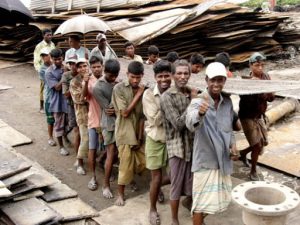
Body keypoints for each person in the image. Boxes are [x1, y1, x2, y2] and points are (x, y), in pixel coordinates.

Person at [186, 62, 239, 225]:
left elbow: (228, 128)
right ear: (206, 80)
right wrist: (200, 114)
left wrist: (233, 145)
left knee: (216, 201)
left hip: (222, 160)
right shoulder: (198, 101)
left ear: (224, 81)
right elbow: (190, 123)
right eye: (213, 80)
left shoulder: (228, 102)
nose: (216, 84)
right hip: (205, 161)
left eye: (220, 80)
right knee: (200, 205)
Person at [160, 59, 196, 225]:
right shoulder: (167, 97)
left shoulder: (188, 92)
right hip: (177, 147)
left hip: (191, 146)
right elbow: (178, 124)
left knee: (191, 182)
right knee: (175, 186)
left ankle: (188, 204)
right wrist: (193, 102)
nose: (183, 76)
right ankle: (174, 220)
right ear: (173, 75)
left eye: (186, 73)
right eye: (179, 73)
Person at [112, 61, 146, 206]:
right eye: (133, 77)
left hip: (137, 132)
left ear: (142, 76)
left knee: (144, 161)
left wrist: (139, 136)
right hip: (124, 132)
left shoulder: (144, 90)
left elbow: (142, 117)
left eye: (138, 78)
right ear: (127, 75)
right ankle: (120, 194)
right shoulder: (119, 89)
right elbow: (125, 113)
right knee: (125, 164)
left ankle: (133, 179)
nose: (135, 80)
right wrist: (139, 94)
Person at [143, 60, 172, 225]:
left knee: (175, 175)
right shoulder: (148, 95)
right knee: (156, 177)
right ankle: (152, 209)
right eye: (160, 76)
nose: (164, 80)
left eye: (166, 76)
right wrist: (167, 101)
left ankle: (156, 188)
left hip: (173, 140)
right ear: (155, 77)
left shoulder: (177, 91)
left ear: (171, 76)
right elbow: (155, 120)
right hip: (155, 138)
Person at [238, 52, 275, 181]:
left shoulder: (266, 77)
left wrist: (264, 89)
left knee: (262, 143)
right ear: (250, 66)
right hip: (247, 117)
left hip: (259, 115)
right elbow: (243, 98)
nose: (260, 68)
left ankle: (242, 153)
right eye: (257, 65)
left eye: (262, 65)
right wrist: (254, 87)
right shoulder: (246, 81)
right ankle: (253, 170)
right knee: (257, 146)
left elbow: (271, 98)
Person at [93, 59, 120, 198]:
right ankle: (106, 185)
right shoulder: (98, 87)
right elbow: (109, 110)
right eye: (111, 76)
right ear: (105, 72)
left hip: (120, 123)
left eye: (116, 75)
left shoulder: (117, 82)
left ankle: (101, 160)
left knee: (117, 152)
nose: (114, 78)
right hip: (109, 124)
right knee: (111, 152)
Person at [82, 56, 103, 190]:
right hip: (93, 119)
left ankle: (104, 167)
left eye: (98, 66)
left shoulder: (108, 79)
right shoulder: (89, 81)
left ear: (102, 66)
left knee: (108, 149)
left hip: (106, 121)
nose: (96, 69)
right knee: (92, 149)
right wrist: (84, 83)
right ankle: (93, 176)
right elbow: (85, 97)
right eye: (93, 67)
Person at [45, 48, 69, 156]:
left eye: (59, 59)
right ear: (52, 59)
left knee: (70, 124)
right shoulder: (49, 72)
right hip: (57, 102)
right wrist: (65, 75)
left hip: (68, 100)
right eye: (55, 60)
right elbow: (57, 88)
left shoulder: (67, 67)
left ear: (62, 57)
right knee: (58, 125)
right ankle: (61, 146)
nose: (58, 61)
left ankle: (65, 136)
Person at [70, 58, 90, 175]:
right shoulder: (74, 82)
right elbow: (80, 99)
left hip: (93, 113)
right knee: (85, 139)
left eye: (84, 66)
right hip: (82, 114)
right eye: (80, 67)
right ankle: (80, 162)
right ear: (77, 69)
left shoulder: (92, 78)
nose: (83, 68)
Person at [61, 54, 80, 163]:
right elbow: (65, 94)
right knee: (75, 128)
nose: (73, 66)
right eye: (71, 64)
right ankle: (78, 158)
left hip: (83, 105)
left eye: (75, 64)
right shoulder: (66, 76)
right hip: (72, 105)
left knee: (78, 128)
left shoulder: (82, 74)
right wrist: (74, 85)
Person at [33, 28, 55, 113]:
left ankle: (51, 104)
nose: (50, 36)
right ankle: (41, 106)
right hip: (44, 69)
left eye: (50, 34)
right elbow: (36, 60)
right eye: (48, 35)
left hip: (52, 68)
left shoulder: (52, 44)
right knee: (43, 87)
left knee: (51, 86)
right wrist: (40, 71)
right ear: (43, 36)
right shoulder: (39, 46)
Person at [39, 48, 56, 146]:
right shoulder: (42, 69)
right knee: (50, 119)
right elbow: (50, 83)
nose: (45, 57)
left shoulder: (55, 64)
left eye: (46, 55)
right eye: (43, 55)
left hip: (58, 96)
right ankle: (50, 137)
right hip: (49, 96)